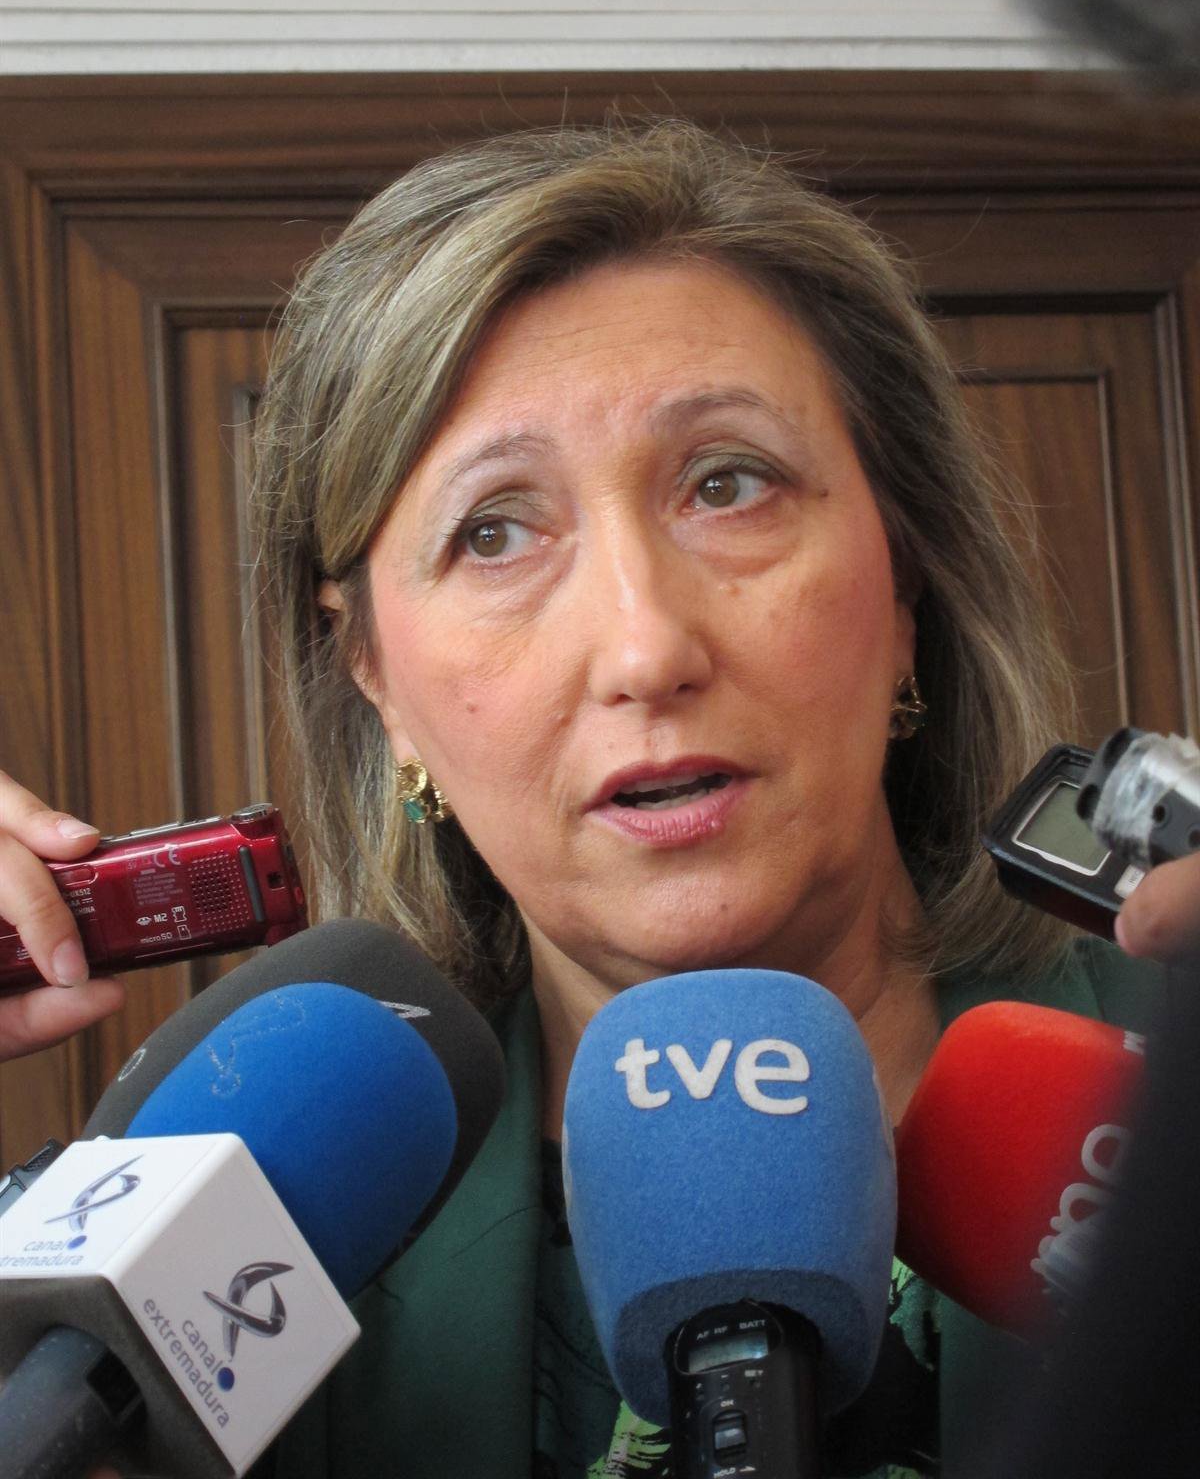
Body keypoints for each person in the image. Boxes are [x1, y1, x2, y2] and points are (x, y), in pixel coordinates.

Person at [0, 119, 1182, 1478]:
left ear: (902, 577)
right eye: (494, 530)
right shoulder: (236, 1224)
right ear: (374, 673)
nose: (645, 648)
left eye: (728, 484)